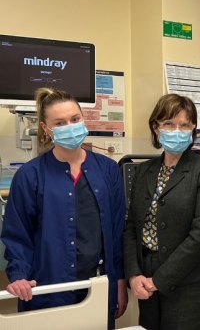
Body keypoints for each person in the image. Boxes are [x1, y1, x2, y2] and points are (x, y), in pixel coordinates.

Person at [1, 88, 127, 329]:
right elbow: (18, 237)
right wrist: (19, 277)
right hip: (48, 289)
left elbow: (117, 232)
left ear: (83, 118)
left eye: (75, 119)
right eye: (60, 122)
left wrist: (119, 283)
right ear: (46, 129)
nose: (70, 126)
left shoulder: (108, 170)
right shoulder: (30, 175)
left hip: (98, 286)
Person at [124, 94, 200, 330]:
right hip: (146, 278)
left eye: (184, 124)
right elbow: (131, 227)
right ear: (156, 127)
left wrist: (160, 280)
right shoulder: (144, 171)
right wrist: (134, 274)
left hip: (191, 282)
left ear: (193, 129)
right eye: (169, 123)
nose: (176, 130)